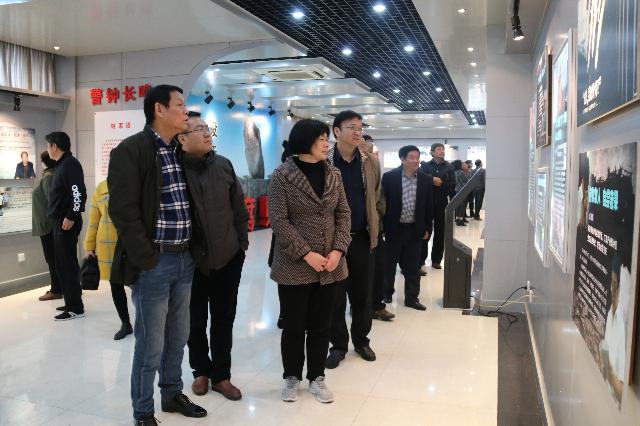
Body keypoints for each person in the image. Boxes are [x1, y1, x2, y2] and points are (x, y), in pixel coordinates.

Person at [108, 85, 206, 425]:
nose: (185, 111)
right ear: (159, 110)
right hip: (155, 262)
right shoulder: (131, 150)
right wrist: (146, 258)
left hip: (184, 259)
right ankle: (143, 411)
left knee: (178, 337)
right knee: (150, 344)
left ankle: (171, 393)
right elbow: (122, 211)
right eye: (180, 105)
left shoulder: (180, 150)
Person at [269, 119, 351, 403]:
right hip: (294, 265)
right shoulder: (282, 175)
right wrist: (306, 253)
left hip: (330, 264)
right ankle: (291, 377)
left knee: (321, 325)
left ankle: (317, 377)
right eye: (321, 139)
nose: (327, 144)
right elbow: (279, 220)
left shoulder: (334, 173)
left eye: (327, 139)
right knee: (293, 326)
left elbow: (344, 214)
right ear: (305, 141)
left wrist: (338, 250)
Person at [177, 112, 249, 401]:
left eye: (207, 128)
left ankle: (222, 376)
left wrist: (241, 246)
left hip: (228, 257)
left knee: (223, 319)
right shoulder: (175, 170)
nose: (207, 133)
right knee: (194, 321)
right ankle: (201, 372)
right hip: (190, 261)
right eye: (199, 129)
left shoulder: (223, 165)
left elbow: (239, 209)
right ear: (182, 139)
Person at [326, 110, 382, 369]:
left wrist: (375, 225)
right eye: (352, 127)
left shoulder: (369, 162)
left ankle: (361, 341)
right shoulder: (325, 160)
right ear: (337, 131)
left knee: (362, 294)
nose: (358, 132)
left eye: (360, 127)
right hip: (332, 242)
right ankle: (338, 345)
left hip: (360, 237)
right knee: (335, 296)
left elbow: (376, 195)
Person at [382, 146, 433, 310]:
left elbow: (428, 206)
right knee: (389, 265)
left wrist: (428, 228)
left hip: (414, 229)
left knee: (413, 267)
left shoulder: (425, 179)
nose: (415, 160)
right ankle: (386, 293)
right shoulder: (389, 177)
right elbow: (382, 205)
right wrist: (382, 228)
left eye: (417, 157)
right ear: (402, 159)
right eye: (411, 157)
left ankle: (412, 298)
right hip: (394, 229)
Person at [84, 180, 132, 340]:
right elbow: (93, 221)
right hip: (108, 244)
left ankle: (147, 322)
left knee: (139, 284)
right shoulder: (101, 188)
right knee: (116, 285)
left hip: (133, 242)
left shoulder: (136, 183)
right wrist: (89, 245)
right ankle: (125, 323)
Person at [46, 131, 86, 320]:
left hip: (66, 223)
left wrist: (71, 216)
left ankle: (75, 307)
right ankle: (71, 300)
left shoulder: (70, 164)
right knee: (62, 264)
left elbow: (78, 194)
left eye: (48, 145)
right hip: (59, 222)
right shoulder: (62, 164)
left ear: (55, 146)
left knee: (67, 264)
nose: (47, 149)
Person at [363, 135, 394, 322]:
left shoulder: (376, 170)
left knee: (378, 268)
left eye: (372, 151)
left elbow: (380, 200)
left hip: (375, 228)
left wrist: (375, 214)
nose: (371, 156)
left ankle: (377, 305)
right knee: (360, 273)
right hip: (356, 230)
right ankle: (360, 307)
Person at [419, 143, 455, 272]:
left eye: (443, 149)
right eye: (439, 149)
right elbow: (420, 179)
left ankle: (436, 260)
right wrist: (432, 180)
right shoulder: (425, 166)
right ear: (432, 152)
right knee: (425, 231)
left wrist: (441, 183)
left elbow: (452, 185)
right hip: (426, 203)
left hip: (441, 203)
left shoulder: (449, 167)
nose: (442, 151)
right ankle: (421, 260)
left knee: (440, 232)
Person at [33, 150, 61, 302]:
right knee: (55, 258)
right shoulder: (53, 174)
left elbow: (53, 202)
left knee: (52, 258)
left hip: (48, 226)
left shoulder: (49, 177)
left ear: (44, 162)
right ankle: (61, 287)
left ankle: (56, 290)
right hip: (50, 225)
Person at [455, 162, 472, 226]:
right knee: (462, 206)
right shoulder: (463, 173)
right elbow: (468, 180)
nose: (466, 167)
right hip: (463, 191)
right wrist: (469, 173)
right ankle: (460, 221)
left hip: (457, 190)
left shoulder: (456, 172)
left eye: (466, 165)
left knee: (458, 205)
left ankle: (458, 219)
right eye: (464, 165)